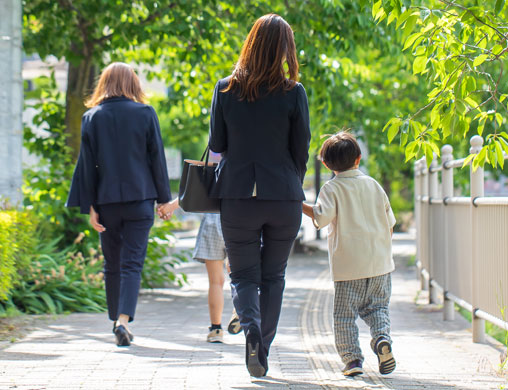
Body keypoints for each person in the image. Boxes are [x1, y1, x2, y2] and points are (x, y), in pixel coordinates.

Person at [208, 14, 310, 377]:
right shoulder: (294, 92)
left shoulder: (224, 89)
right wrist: (288, 184)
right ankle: (262, 346)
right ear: (285, 49)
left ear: (250, 44)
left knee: (244, 276)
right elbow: (301, 151)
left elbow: (217, 145)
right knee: (274, 277)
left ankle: (250, 333)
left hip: (237, 196)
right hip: (283, 196)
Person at [66, 62, 171, 347]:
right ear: (132, 83)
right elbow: (156, 160)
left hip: (107, 202)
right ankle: (123, 320)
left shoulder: (92, 117)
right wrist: (163, 201)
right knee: (131, 264)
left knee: (112, 264)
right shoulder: (146, 113)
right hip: (140, 200)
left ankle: (116, 322)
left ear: (104, 83)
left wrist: (90, 206)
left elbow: (87, 167)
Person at [301, 132, 397, 377]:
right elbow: (390, 224)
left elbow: (321, 217)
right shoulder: (374, 185)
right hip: (380, 265)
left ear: (325, 163)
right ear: (359, 158)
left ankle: (352, 360)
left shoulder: (331, 188)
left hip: (348, 267)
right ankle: (382, 339)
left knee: (345, 316)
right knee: (378, 309)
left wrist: (298, 204)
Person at [158, 199, 242, 342]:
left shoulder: (210, 174)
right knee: (240, 275)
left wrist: (170, 207)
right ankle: (241, 309)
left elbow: (192, 190)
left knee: (216, 281)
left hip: (212, 220)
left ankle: (216, 329)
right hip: (239, 219)